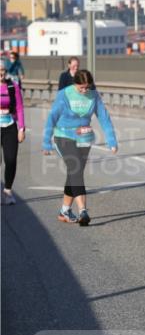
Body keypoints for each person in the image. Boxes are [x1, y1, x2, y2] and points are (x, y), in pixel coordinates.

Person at [41, 69, 117, 226]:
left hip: (84, 138)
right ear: (75, 84)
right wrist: (46, 142)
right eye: (81, 87)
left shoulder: (93, 95)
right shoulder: (64, 94)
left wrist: (111, 140)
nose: (84, 90)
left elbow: (104, 118)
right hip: (63, 136)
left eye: (87, 87)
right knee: (75, 169)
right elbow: (52, 117)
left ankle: (64, 211)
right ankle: (83, 211)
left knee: (74, 174)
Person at [1, 62, 27, 205]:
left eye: (3, 70)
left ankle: (8, 191)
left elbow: (19, 107)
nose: (1, 73)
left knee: (11, 160)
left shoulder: (12, 86)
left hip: (10, 126)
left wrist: (21, 128)